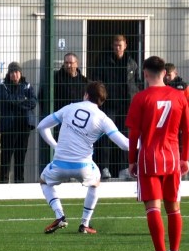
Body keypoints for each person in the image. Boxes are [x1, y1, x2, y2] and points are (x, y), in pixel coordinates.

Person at [37, 81, 129, 235]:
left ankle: (59, 215)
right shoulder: (103, 118)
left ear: (86, 95)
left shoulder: (69, 107)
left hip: (59, 164)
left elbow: (41, 126)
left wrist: (55, 146)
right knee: (96, 181)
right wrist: (145, 143)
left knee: (44, 181)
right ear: (101, 101)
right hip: (83, 167)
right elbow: (125, 145)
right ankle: (84, 224)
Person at [126, 56, 189, 251]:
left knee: (153, 207)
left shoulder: (140, 98)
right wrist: (185, 158)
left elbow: (134, 134)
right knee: (173, 207)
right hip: (172, 157)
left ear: (145, 74)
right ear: (164, 73)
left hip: (149, 158)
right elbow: (187, 131)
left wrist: (131, 160)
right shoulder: (179, 96)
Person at [91, 34, 141, 179]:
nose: (118, 48)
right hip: (109, 105)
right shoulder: (104, 62)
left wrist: (135, 95)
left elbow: (137, 82)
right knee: (106, 136)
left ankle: (124, 168)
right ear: (112, 46)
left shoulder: (132, 63)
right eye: (115, 45)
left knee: (125, 137)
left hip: (126, 105)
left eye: (120, 45)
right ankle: (104, 167)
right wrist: (102, 98)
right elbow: (97, 81)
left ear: (125, 46)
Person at [0, 61, 37, 184]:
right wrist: (23, 100)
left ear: (20, 72)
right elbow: (6, 100)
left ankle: (19, 183)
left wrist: (16, 102)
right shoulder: (3, 86)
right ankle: (3, 183)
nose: (14, 74)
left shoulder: (27, 86)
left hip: (24, 126)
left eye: (16, 72)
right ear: (8, 74)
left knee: (20, 157)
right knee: (6, 157)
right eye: (11, 72)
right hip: (8, 127)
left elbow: (33, 102)